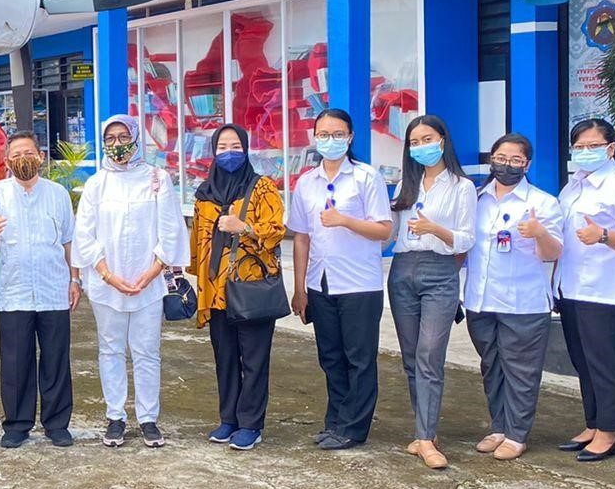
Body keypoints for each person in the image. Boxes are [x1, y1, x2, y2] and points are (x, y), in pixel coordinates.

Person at [73, 113, 189, 448]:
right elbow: (85, 234)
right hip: (106, 284)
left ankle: (149, 418)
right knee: (110, 349)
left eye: (123, 137)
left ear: (136, 138)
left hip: (147, 284)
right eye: (110, 139)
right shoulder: (97, 184)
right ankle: (115, 416)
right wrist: (108, 275)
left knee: (147, 351)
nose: (117, 145)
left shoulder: (156, 178)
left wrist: (150, 273)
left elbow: (169, 229)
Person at [286, 108, 394, 451]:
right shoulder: (305, 182)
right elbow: (301, 237)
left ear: (349, 138)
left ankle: (353, 426)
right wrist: (299, 288)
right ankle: (335, 419)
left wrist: (345, 220)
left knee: (359, 357)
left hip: (359, 283)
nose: (330, 141)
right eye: (323, 134)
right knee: (330, 355)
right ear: (314, 137)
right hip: (321, 282)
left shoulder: (366, 177)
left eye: (337, 134)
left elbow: (384, 230)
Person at [556, 118, 615, 462]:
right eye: (578, 147)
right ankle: (593, 423)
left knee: (605, 363)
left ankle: (608, 433)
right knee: (582, 361)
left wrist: (605, 236)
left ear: (611, 147)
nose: (585, 153)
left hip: (606, 290)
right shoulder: (572, 187)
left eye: (593, 146)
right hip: (571, 287)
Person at [464, 132, 564, 461]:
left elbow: (552, 254)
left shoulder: (543, 203)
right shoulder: (476, 199)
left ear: (527, 164)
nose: (507, 165)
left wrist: (539, 233)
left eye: (516, 160)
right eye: (501, 158)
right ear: (491, 159)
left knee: (520, 370)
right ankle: (498, 427)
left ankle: (517, 434)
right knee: (491, 367)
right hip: (480, 300)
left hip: (524, 302)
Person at [0, 132, 80, 449]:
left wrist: (74, 280)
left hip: (53, 289)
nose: (23, 158)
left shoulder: (58, 194)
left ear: (41, 156)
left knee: (55, 358)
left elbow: (68, 241)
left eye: (29, 152)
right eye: (16, 154)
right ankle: (17, 425)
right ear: (7, 161)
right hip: (14, 290)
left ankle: (57, 423)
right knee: (15, 360)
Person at [386, 114, 476, 470]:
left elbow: (467, 238)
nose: (422, 146)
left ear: (443, 139)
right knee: (411, 357)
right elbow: (389, 232)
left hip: (440, 272)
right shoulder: (405, 185)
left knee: (430, 353)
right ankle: (426, 430)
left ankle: (426, 440)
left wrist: (434, 228)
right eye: (415, 142)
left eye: (428, 139)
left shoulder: (461, 186)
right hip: (402, 271)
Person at [191, 124, 285, 452]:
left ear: (245, 150)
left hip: (251, 288)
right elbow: (199, 246)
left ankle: (251, 424)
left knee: (255, 360)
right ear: (213, 153)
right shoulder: (204, 194)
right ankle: (228, 418)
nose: (228, 152)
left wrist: (242, 226)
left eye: (235, 146)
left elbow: (275, 231)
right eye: (221, 147)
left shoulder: (262, 188)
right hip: (216, 291)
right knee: (225, 358)